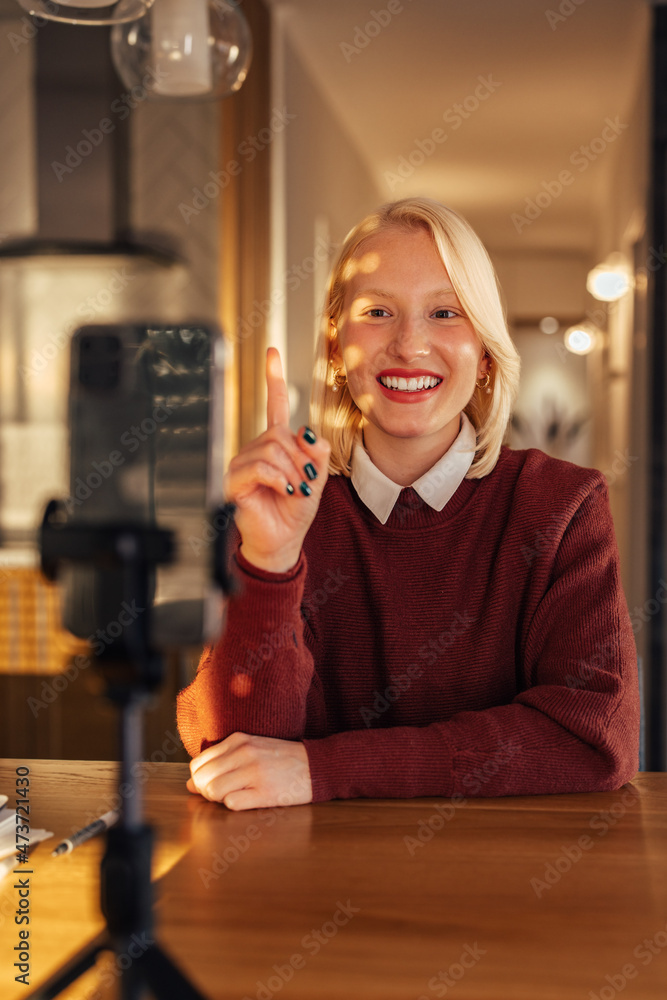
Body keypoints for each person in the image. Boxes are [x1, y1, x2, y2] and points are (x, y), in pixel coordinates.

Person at [177, 197, 640, 811]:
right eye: (377, 312)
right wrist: (270, 558)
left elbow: (594, 738)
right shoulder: (279, 504)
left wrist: (328, 769)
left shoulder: (562, 507)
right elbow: (233, 751)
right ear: (338, 349)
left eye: (445, 312)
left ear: (483, 353)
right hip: (308, 884)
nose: (409, 343)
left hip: (504, 885)